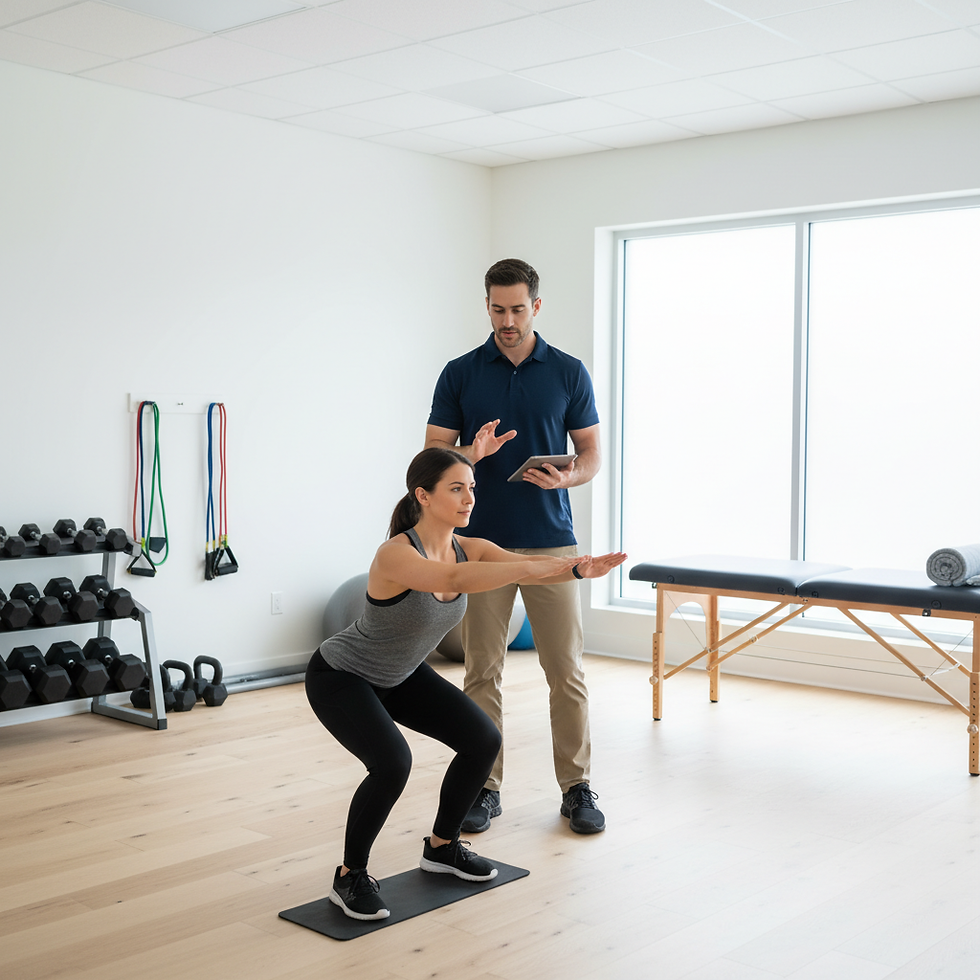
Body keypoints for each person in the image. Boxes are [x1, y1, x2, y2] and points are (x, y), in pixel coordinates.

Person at [306, 447, 625, 921]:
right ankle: (349, 876)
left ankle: (442, 847)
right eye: (456, 488)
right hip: (343, 675)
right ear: (424, 496)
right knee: (393, 763)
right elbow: (456, 577)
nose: (469, 497)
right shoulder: (396, 554)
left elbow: (521, 565)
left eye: (472, 487)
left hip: (402, 674)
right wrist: (539, 567)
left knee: (482, 740)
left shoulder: (469, 546)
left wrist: (576, 568)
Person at [425, 257, 607, 836]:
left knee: (566, 671)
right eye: (498, 309)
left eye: (518, 309)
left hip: (552, 543)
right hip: (478, 547)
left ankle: (576, 788)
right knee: (481, 671)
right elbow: (430, 461)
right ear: (487, 306)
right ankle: (485, 785)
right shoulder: (459, 373)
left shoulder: (570, 372)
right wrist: (468, 459)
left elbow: (591, 456)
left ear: (536, 306)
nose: (508, 319)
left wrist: (568, 478)